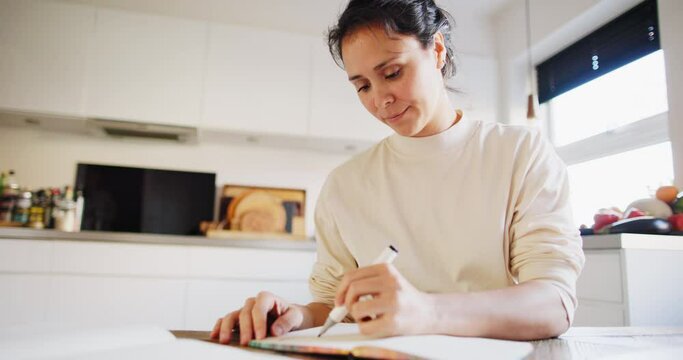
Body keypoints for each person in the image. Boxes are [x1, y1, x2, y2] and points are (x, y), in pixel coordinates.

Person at [210, 0, 584, 345]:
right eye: (362, 86)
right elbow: (331, 304)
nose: (379, 100)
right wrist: (296, 315)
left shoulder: (519, 153)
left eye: (391, 72)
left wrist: (428, 312)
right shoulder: (345, 185)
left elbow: (554, 303)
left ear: (436, 50)